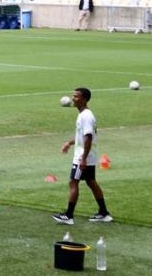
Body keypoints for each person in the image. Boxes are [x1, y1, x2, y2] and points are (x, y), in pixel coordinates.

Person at [53, 88, 112, 224]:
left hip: (84, 156)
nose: (73, 99)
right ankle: (104, 213)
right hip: (88, 155)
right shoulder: (84, 114)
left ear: (84, 99)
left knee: (73, 182)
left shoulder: (86, 116)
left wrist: (83, 158)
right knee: (91, 182)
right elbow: (82, 137)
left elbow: (88, 138)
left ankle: (68, 215)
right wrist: (70, 143)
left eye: (76, 97)